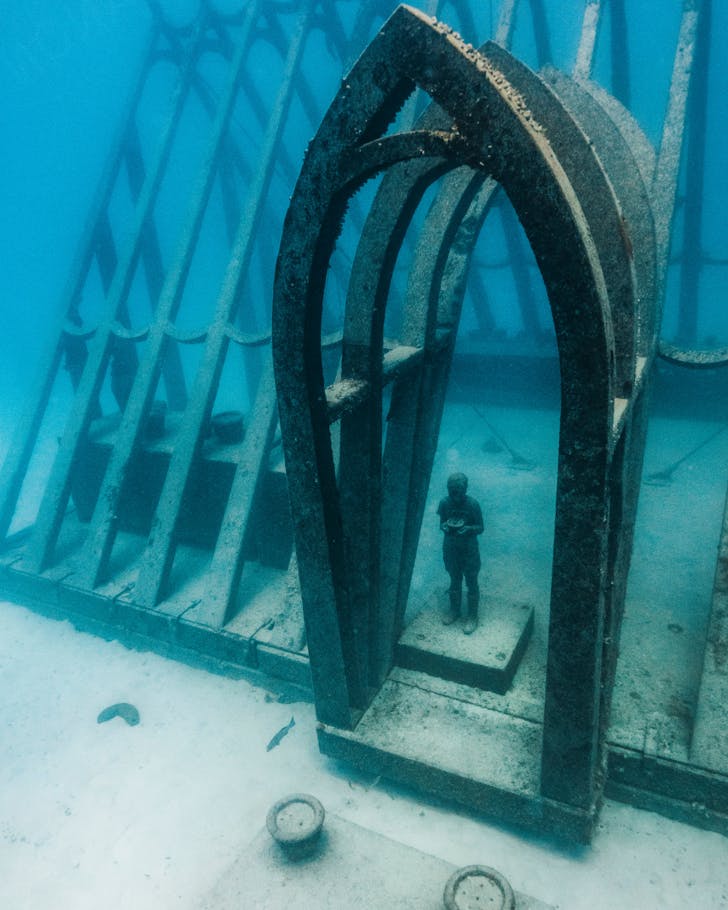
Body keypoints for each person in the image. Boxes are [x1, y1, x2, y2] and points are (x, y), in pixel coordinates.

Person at [437, 472, 483, 634]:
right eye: (452, 490)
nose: (455, 494)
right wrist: (444, 526)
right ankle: (455, 610)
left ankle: (472, 616)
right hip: (450, 547)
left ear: (465, 489)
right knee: (454, 579)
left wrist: (469, 529)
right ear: (448, 489)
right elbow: (442, 523)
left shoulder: (472, 505)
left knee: (471, 581)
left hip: (469, 549)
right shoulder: (444, 503)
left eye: (459, 490)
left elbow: (480, 527)